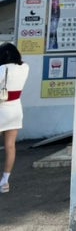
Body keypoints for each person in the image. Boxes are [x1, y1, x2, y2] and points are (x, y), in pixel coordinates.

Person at [0, 42, 30, 193]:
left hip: (2, 109)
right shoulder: (24, 68)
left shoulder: (2, 69)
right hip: (16, 109)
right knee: (10, 146)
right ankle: (5, 181)